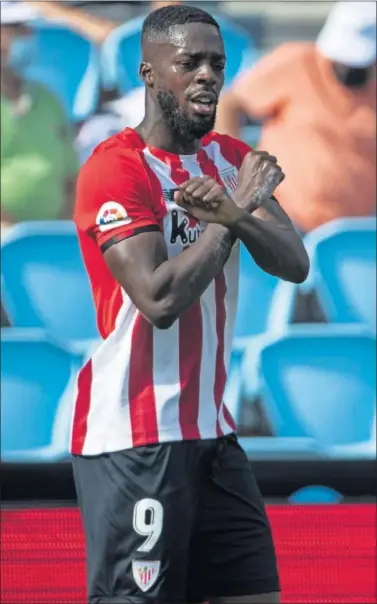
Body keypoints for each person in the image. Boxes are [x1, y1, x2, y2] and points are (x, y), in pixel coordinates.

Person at [72, 5, 309, 603]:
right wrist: (228, 223)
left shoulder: (229, 159)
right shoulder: (115, 168)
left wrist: (230, 211)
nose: (208, 75)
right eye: (189, 63)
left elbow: (294, 263)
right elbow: (159, 299)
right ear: (149, 74)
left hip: (213, 436)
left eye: (217, 63)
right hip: (137, 437)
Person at [216, 1, 376, 233]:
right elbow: (230, 105)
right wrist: (237, 173)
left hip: (350, 234)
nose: (348, 68)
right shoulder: (295, 62)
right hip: (280, 220)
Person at [0, 2, 78, 228]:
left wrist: (60, 231)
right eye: (14, 28)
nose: (27, 36)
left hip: (53, 237)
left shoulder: (48, 99)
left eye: (25, 28)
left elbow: (71, 180)